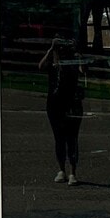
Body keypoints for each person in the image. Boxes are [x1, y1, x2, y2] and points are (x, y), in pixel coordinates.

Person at [39, 36, 87, 185]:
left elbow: (83, 70)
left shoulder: (73, 62)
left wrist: (78, 54)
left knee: (72, 138)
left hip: (71, 103)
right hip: (55, 104)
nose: (63, 51)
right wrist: (51, 50)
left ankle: (73, 172)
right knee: (59, 138)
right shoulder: (54, 64)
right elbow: (40, 66)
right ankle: (62, 169)